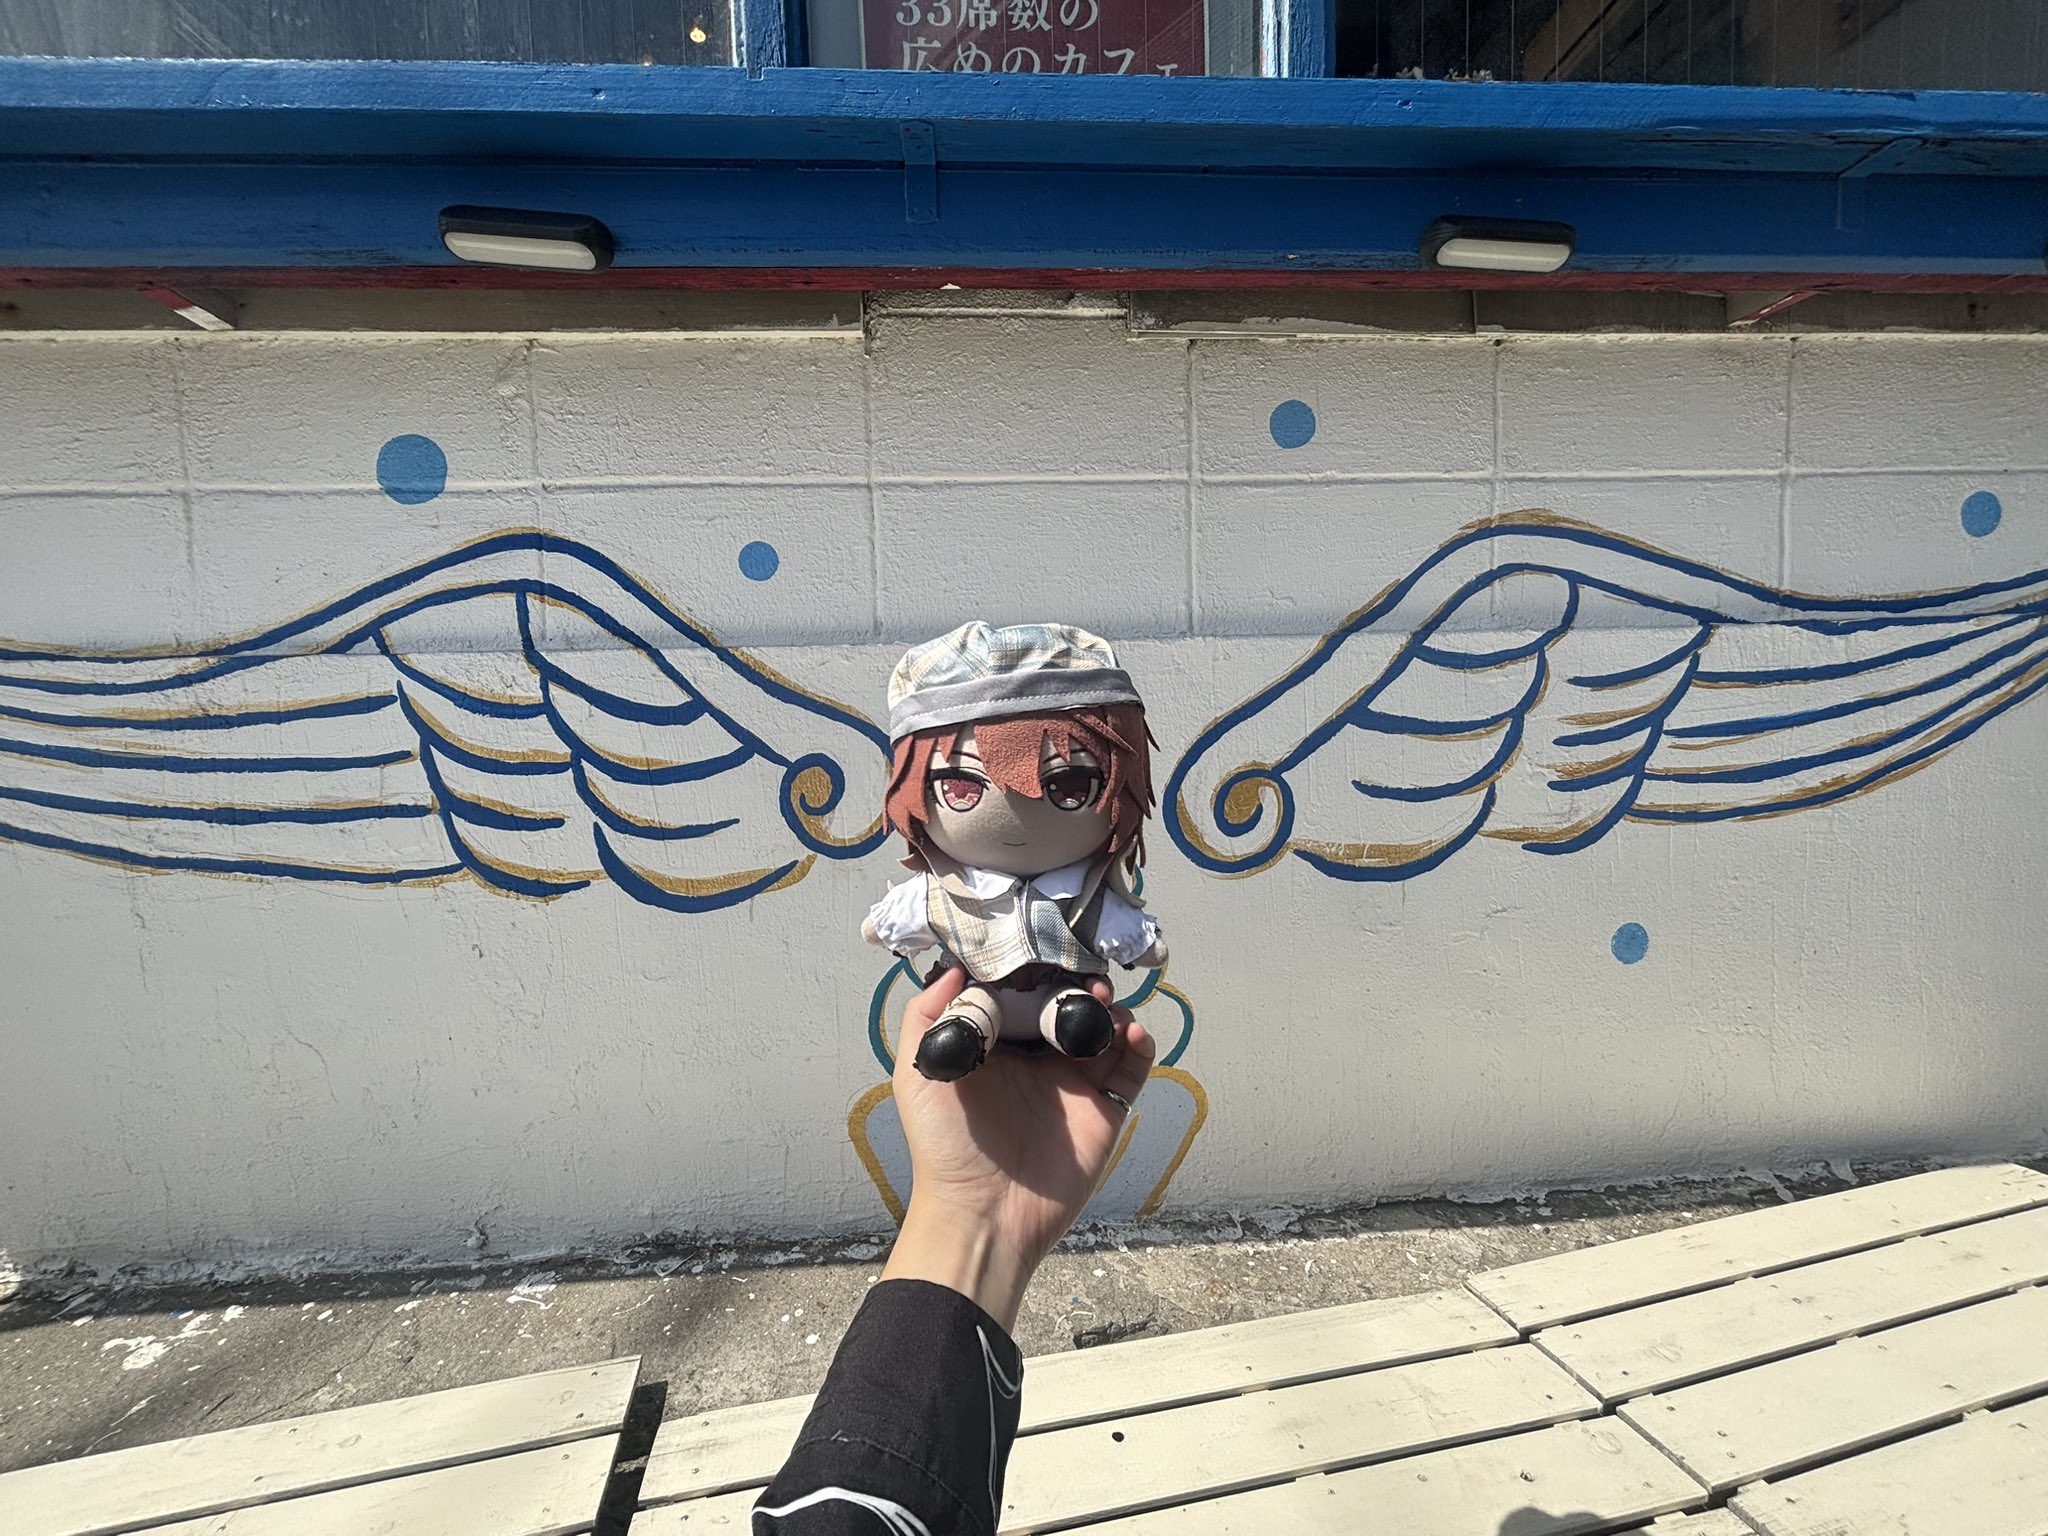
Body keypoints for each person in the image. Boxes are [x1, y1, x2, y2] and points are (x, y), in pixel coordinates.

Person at [751, 965, 1155, 1534]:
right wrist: (974, 1209)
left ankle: (1043, 1019)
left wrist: (970, 1212)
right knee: (1000, 1013)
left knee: (1068, 1012)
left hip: (1032, 998)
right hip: (988, 999)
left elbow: (857, 1505)